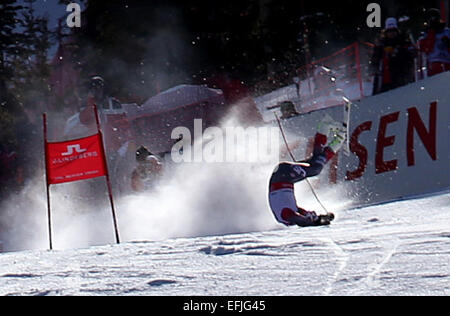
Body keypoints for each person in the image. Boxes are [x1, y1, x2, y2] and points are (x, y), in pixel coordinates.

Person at [268, 117, 346, 227]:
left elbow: (301, 220)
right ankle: (325, 128)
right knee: (315, 162)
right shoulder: (291, 211)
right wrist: (319, 217)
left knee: (316, 169)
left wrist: (315, 222)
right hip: (282, 174)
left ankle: (338, 139)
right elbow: (301, 213)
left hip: (283, 176)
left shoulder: (285, 216)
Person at [371, 17, 415, 95]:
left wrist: (397, 52)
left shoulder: (402, 42)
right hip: (384, 79)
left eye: (393, 31)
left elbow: (410, 58)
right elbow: (375, 60)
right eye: (389, 31)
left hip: (400, 78)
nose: (391, 33)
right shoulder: (381, 44)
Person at [418, 8, 450, 77]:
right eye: (431, 18)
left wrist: (448, 43)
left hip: (447, 62)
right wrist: (431, 33)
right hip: (433, 63)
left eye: (435, 18)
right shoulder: (425, 35)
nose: (433, 20)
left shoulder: (446, 31)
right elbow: (425, 49)